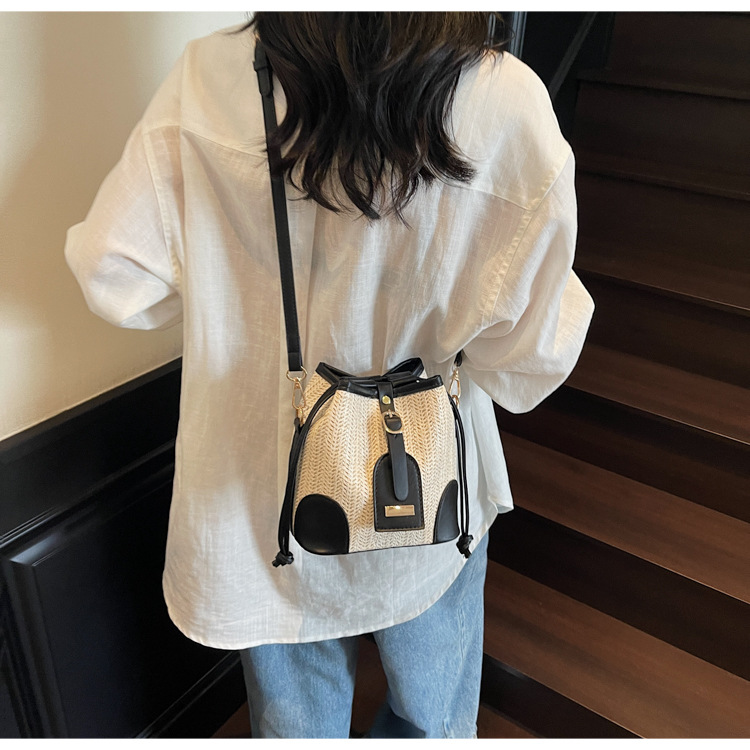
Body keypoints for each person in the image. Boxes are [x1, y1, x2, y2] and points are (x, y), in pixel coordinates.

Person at [64, 12, 593, 739]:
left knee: (295, 719)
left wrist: (231, 289)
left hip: (263, 489)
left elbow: (115, 277)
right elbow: (530, 365)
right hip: (424, 481)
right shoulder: (507, 102)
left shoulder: (209, 79)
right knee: (435, 714)